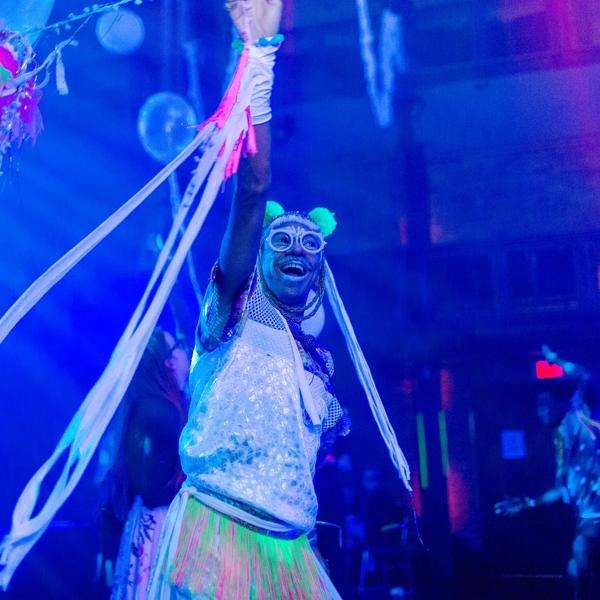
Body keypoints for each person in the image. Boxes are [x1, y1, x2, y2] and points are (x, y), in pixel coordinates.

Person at [146, 1, 354, 597]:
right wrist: (258, 59)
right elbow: (254, 188)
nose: (293, 246)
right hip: (217, 533)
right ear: (258, 259)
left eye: (307, 242)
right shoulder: (234, 311)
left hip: (290, 551)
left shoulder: (319, 365)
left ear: (318, 269)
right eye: (279, 239)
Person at [494, 347, 600, 600]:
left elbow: (585, 376)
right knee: (575, 571)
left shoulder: (578, 412)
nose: (539, 410)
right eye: (537, 406)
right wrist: (527, 502)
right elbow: (562, 489)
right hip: (586, 518)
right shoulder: (559, 441)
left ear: (557, 402)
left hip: (595, 516)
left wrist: (555, 360)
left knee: (579, 561)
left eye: (544, 403)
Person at [96, 327, 190, 599]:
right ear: (169, 362)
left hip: (145, 523)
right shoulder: (161, 412)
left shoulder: (150, 407)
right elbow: (153, 487)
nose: (185, 350)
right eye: (178, 346)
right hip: (161, 527)